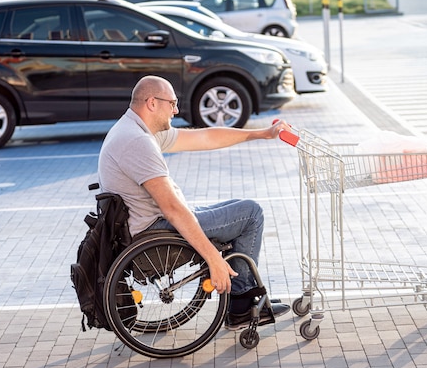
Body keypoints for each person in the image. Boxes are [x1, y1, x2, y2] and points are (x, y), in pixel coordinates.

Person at [97, 75, 291, 330]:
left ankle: (242, 296)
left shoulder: (136, 129)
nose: (176, 110)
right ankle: (242, 303)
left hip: (152, 223)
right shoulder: (137, 142)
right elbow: (173, 209)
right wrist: (213, 259)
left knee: (239, 205)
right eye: (172, 103)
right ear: (152, 103)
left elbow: (205, 138)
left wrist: (261, 133)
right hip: (155, 230)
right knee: (251, 213)